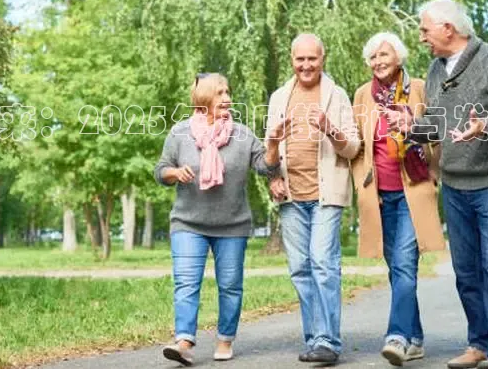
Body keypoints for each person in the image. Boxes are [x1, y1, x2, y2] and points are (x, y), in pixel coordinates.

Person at [387, 0, 488, 369]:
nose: (421, 37)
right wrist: (412, 127)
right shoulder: (436, 70)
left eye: (425, 30)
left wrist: (486, 125)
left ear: (448, 29)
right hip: (455, 186)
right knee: (466, 270)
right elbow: (438, 125)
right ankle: (479, 343)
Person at [154, 73, 287, 366]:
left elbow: (265, 167)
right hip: (188, 223)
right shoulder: (180, 133)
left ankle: (225, 339)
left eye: (228, 92)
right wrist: (175, 173)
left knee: (230, 285)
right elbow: (161, 170)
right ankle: (184, 341)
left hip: (232, 225)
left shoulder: (242, 134)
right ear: (204, 99)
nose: (227, 98)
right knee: (186, 283)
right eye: (220, 93)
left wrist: (274, 145)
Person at [351, 32, 446, 366]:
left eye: (384, 54)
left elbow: (438, 130)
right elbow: (358, 146)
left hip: (412, 190)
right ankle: (415, 337)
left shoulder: (418, 88)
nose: (378, 61)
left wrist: (433, 170)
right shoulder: (363, 95)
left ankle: (397, 336)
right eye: (373, 56)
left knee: (405, 264)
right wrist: (363, 186)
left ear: (399, 57)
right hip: (379, 195)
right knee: (397, 269)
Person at [267, 33, 361, 365]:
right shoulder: (279, 97)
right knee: (300, 268)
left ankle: (328, 341)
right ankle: (315, 339)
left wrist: (329, 128)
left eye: (312, 59)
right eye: (300, 59)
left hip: (326, 194)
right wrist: (273, 176)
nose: (306, 65)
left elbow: (353, 148)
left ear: (323, 59)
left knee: (323, 263)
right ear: (292, 59)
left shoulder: (336, 95)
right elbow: (270, 152)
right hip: (291, 196)